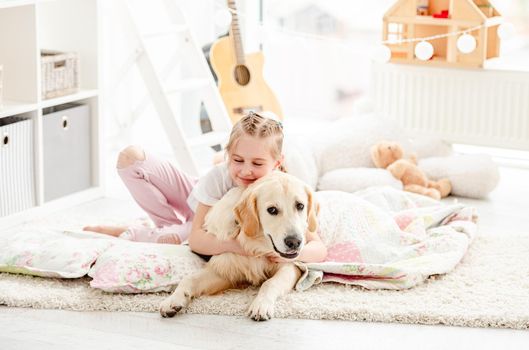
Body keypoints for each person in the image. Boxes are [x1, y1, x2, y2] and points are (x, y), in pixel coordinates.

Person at [84, 112, 327, 263]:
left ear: (277, 163)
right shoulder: (219, 176)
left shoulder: (281, 193)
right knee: (132, 158)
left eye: (258, 163)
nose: (245, 171)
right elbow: (198, 238)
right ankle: (165, 224)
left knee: (171, 239)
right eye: (238, 160)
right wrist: (241, 248)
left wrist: (290, 256)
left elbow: (318, 248)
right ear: (228, 154)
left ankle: (128, 232)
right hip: (199, 199)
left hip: (209, 225)